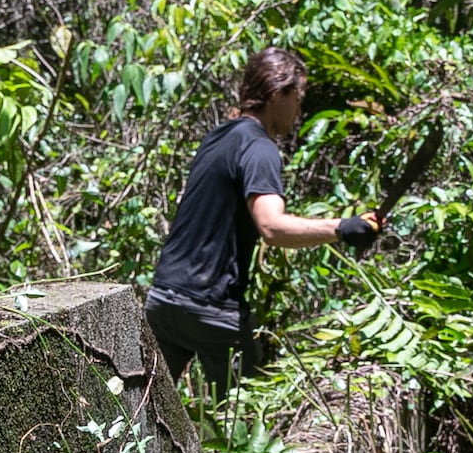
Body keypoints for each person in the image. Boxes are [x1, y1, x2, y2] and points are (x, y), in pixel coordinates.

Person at [145, 46, 383, 396]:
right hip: (211, 308)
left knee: (147, 413)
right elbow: (271, 227)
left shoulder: (218, 138)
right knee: (248, 421)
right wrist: (342, 228)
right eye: (297, 98)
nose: (298, 110)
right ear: (277, 93)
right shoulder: (259, 148)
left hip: (164, 299)